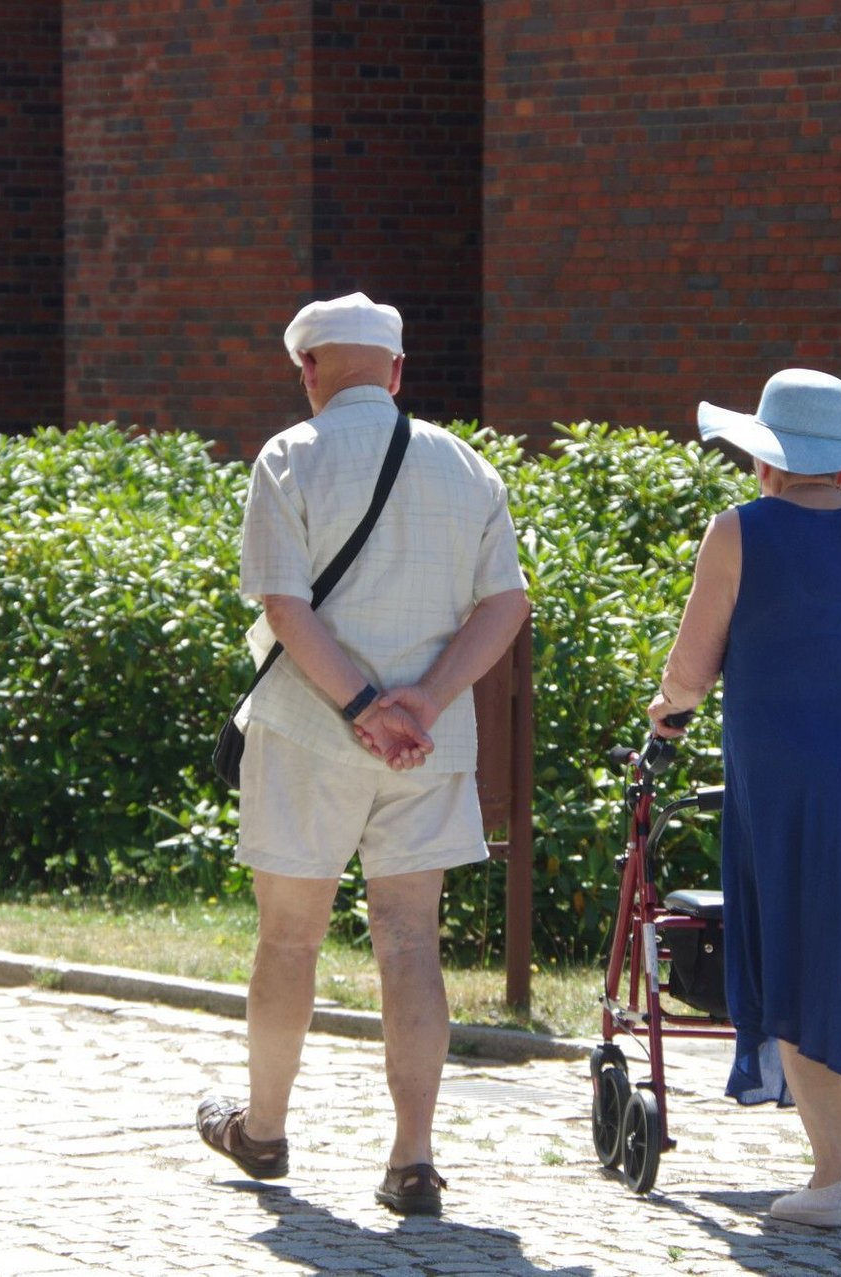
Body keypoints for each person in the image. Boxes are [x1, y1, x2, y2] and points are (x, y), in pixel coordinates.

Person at [196, 292, 529, 1217]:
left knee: (290, 936)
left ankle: (263, 1128)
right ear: (395, 371)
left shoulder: (289, 457)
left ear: (308, 370)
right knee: (411, 940)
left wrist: (360, 705)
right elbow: (505, 604)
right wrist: (422, 698)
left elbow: (284, 607)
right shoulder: (466, 465)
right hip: (430, 743)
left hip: (309, 731)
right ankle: (413, 1156)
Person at [646, 368, 841, 1228]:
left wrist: (666, 711)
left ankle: (828, 1179)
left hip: (792, 779)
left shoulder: (737, 531)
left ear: (764, 463)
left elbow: (691, 667)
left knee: (799, 947)